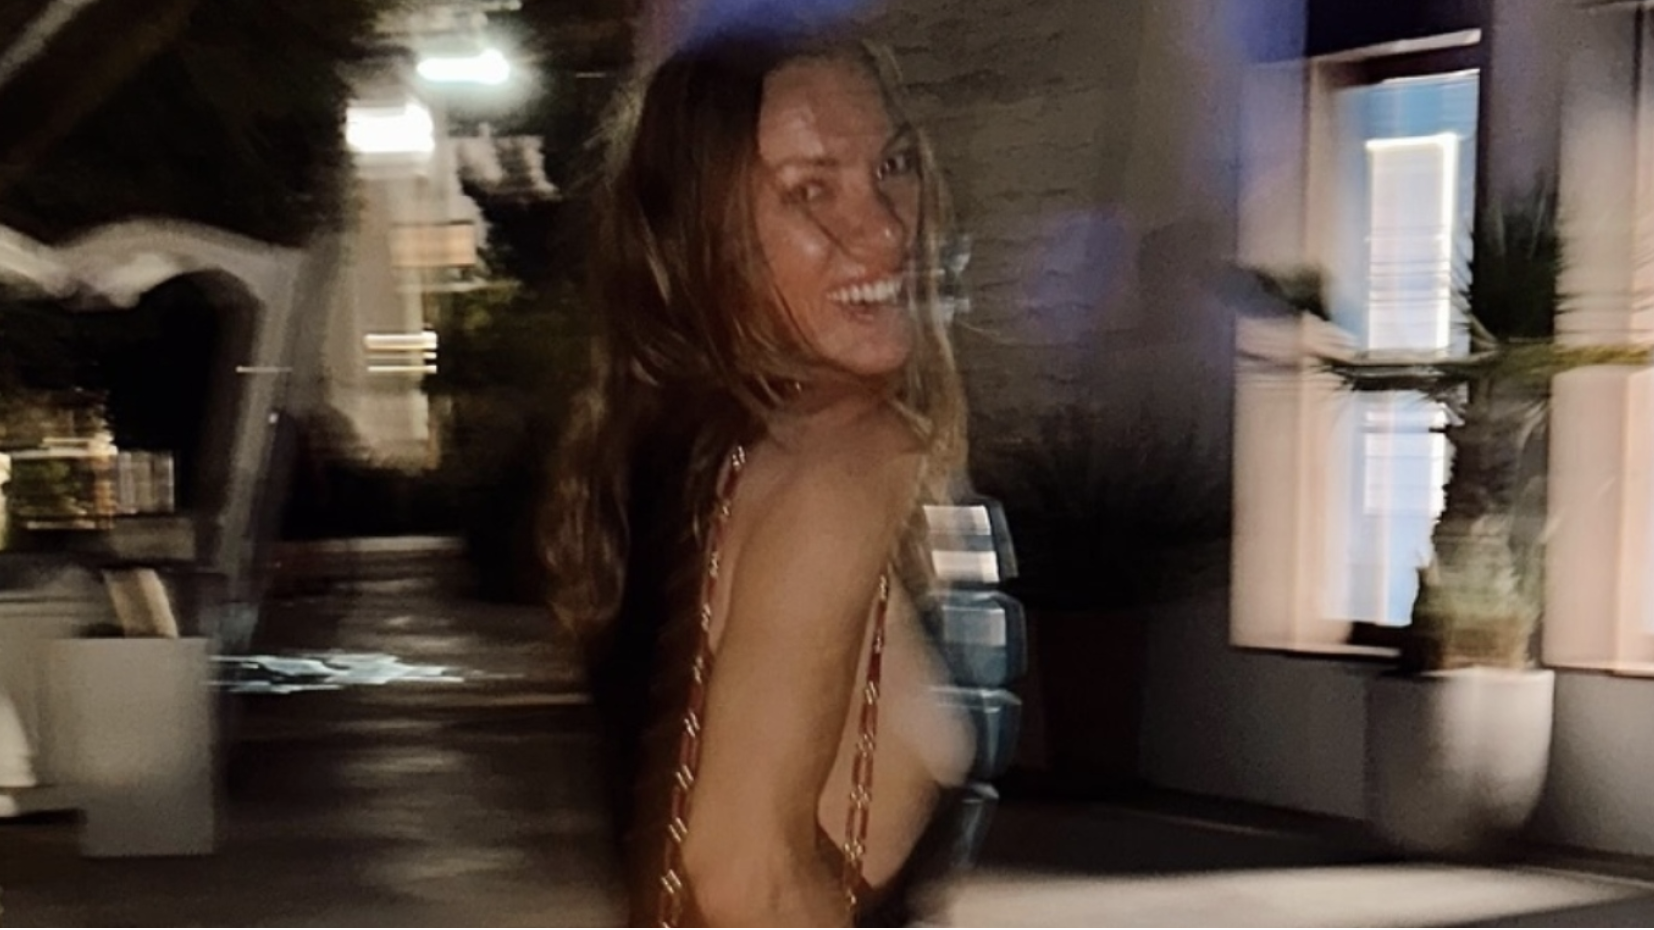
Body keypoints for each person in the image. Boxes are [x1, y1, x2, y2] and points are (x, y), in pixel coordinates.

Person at [544, 27, 976, 927]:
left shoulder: (680, 454)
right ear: (702, 237)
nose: (885, 229)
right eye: (810, 191)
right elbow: (745, 876)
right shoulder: (843, 455)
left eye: (893, 166)